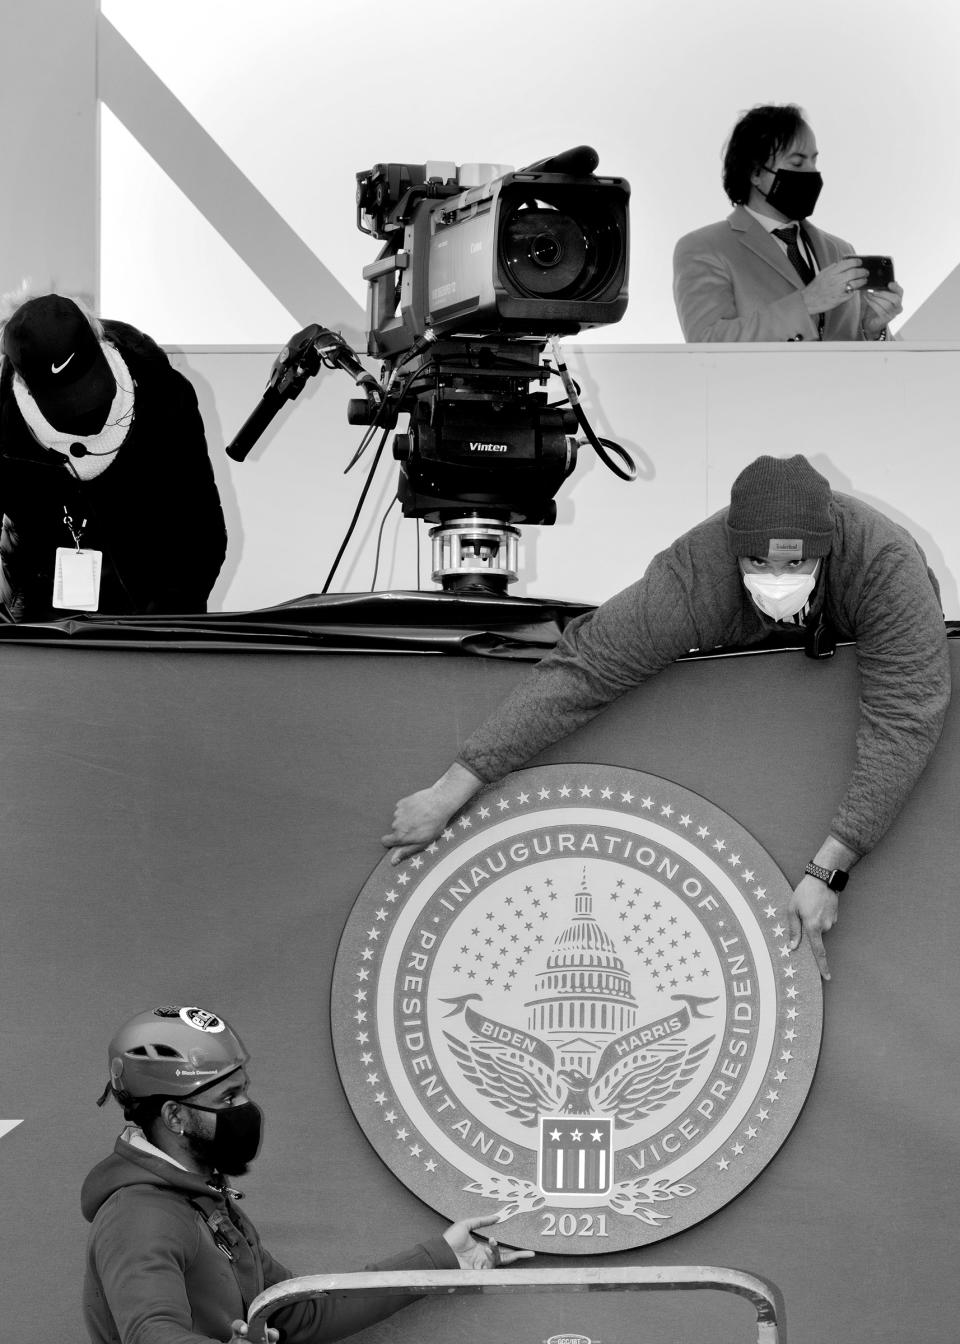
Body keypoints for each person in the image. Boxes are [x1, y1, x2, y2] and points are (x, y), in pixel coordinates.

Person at [383, 454, 950, 980]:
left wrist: (831, 868)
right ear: (733, 551)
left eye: (794, 562)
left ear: (825, 550)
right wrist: (451, 789)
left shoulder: (883, 563)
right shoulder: (698, 572)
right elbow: (587, 668)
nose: (776, 575)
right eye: (757, 561)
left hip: (861, 639)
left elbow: (905, 718)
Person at [83, 1004, 530, 1344]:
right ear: (175, 1115)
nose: (245, 1111)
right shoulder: (139, 1215)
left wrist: (441, 1260)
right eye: (227, 1099)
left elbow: (302, 1313)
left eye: (243, 1093)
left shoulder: (204, 1204)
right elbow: (150, 1333)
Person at [0, 292, 227, 620]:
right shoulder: (8, 430)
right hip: (48, 625)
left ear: (96, 339)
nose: (83, 412)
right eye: (65, 400)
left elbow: (202, 534)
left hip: (158, 620)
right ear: (24, 382)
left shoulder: (164, 397)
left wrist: (163, 625)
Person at [672, 104, 904, 342]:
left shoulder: (840, 251)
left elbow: (866, 359)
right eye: (797, 163)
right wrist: (806, 304)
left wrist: (873, 331)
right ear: (755, 173)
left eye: (814, 161)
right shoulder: (704, 247)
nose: (812, 172)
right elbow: (707, 341)